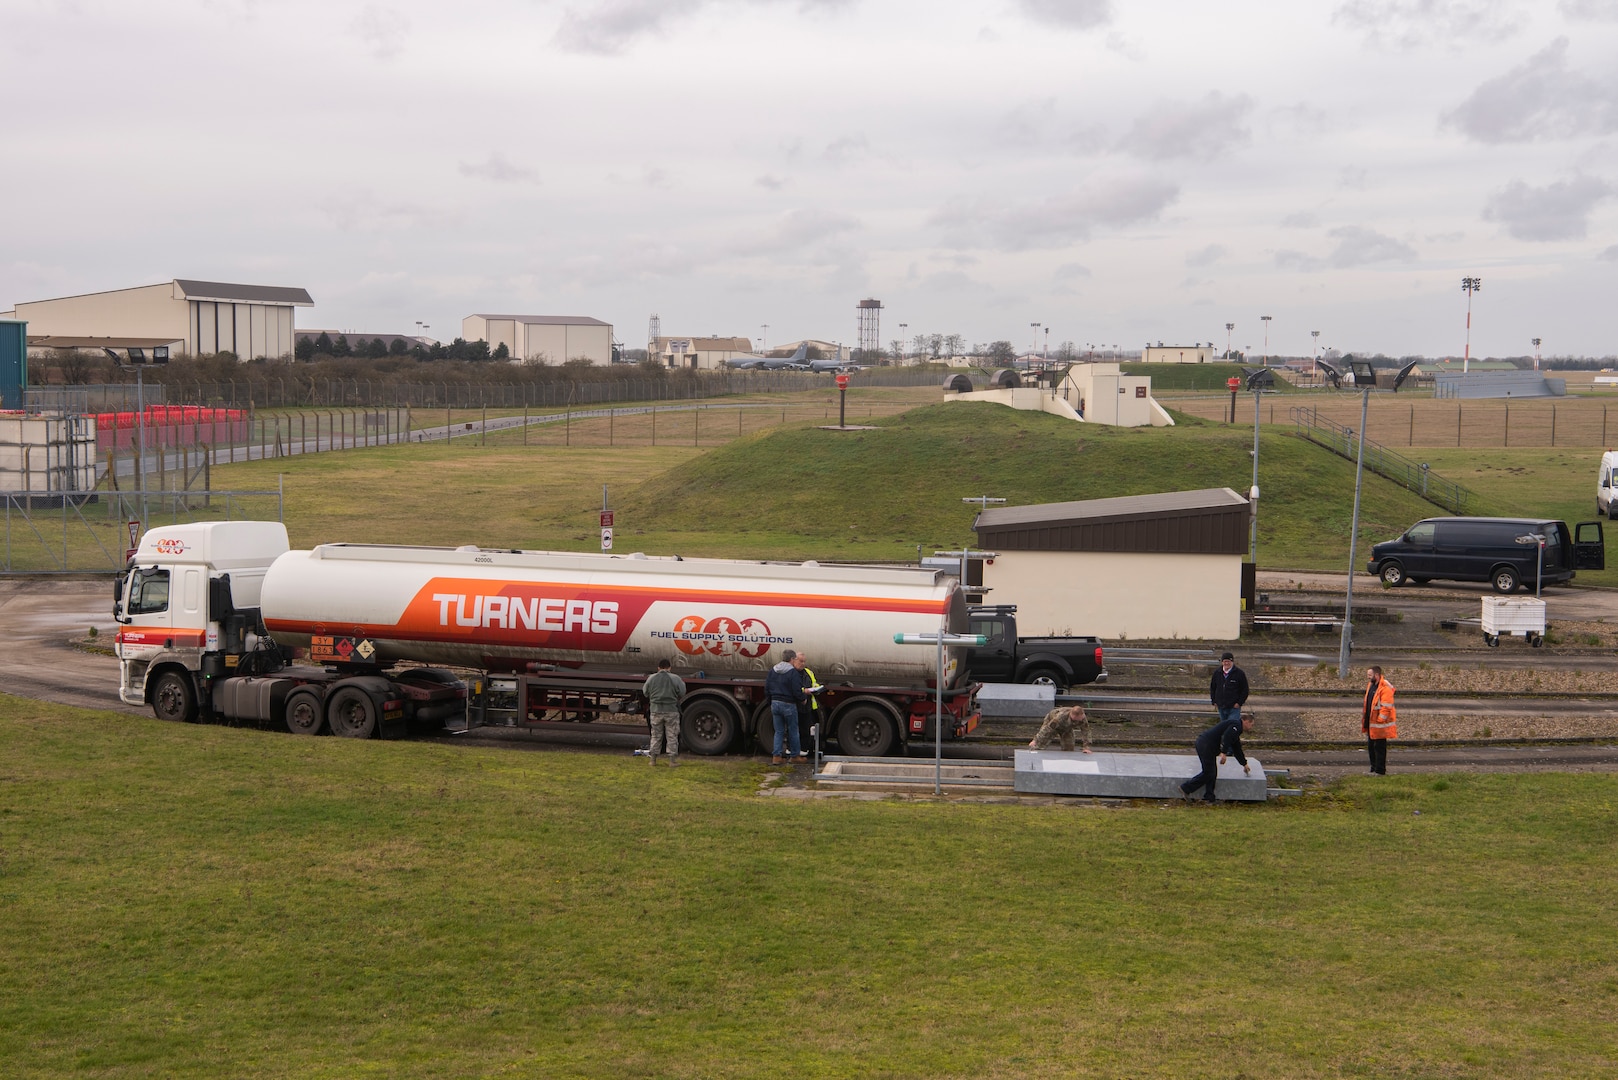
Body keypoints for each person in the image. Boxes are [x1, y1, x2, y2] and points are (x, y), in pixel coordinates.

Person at [1180, 711, 1251, 803]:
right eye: (1251, 724)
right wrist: (1223, 752)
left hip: (1207, 745)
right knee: (1209, 772)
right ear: (1246, 721)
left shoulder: (1236, 729)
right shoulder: (1236, 725)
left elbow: (1237, 748)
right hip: (1206, 744)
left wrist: (1244, 764)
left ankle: (1209, 797)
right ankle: (1186, 788)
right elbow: (1226, 737)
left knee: (1212, 772)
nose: (1251, 727)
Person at [766, 649, 808, 765]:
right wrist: (802, 699)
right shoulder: (792, 672)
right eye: (795, 659)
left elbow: (767, 688)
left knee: (778, 731)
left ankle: (776, 756)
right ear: (792, 659)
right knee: (793, 730)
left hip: (775, 703)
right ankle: (795, 756)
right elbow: (796, 690)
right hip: (788, 704)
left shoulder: (773, 670)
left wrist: (770, 701)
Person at [643, 658, 686, 767]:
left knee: (656, 735)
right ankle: (672, 761)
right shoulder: (675, 678)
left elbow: (645, 692)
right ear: (669, 668)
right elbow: (682, 691)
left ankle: (653, 760)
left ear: (658, 668)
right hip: (671, 711)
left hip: (656, 710)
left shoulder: (651, 678)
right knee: (672, 735)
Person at [1363, 665, 1397, 775]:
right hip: (1371, 723)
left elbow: (1386, 706)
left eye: (1370, 675)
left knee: (1379, 748)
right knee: (1372, 748)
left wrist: (1380, 720)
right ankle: (1374, 769)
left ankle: (1380, 770)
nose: (1368, 677)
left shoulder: (1384, 688)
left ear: (1376, 675)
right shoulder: (1371, 685)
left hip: (1379, 725)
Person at [1209, 651, 1249, 726]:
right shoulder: (1217, 673)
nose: (1226, 663)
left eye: (1228, 661)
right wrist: (1214, 700)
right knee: (1223, 727)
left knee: (1232, 726)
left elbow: (1245, 690)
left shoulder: (1239, 673)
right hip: (1221, 706)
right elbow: (1213, 687)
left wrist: (1239, 703)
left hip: (1233, 707)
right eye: (1224, 661)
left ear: (1232, 662)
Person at [797, 652, 823, 757]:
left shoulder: (808, 672)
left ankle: (805, 751)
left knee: (807, 729)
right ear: (794, 660)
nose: (803, 664)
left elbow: (814, 683)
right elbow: (794, 688)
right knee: (796, 729)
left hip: (808, 706)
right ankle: (795, 752)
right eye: (800, 661)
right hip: (797, 705)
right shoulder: (792, 673)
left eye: (804, 661)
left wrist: (817, 688)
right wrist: (804, 690)